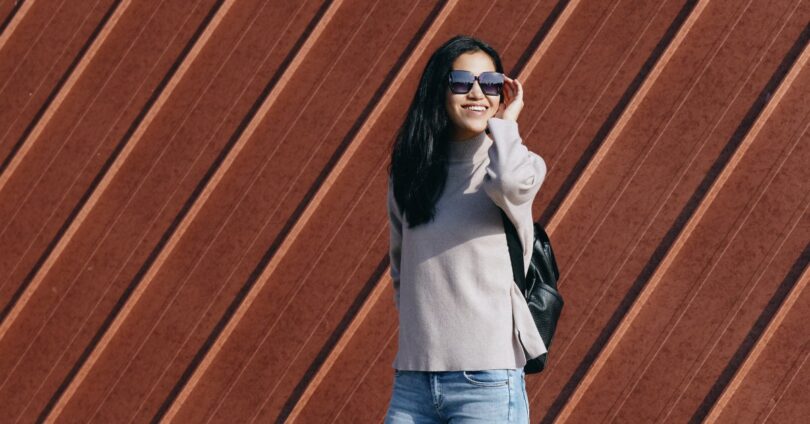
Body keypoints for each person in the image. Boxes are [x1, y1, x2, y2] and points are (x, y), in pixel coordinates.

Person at [384, 34, 548, 423]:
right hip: (414, 381)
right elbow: (400, 269)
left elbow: (507, 182)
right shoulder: (411, 172)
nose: (477, 93)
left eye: (491, 84)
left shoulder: (518, 165)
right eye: (462, 82)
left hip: (487, 382)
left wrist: (506, 126)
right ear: (438, 89)